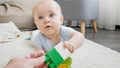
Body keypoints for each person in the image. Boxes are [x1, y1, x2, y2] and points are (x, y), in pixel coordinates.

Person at [31, 0, 85, 67]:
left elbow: (80, 36)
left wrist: (73, 43)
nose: (46, 20)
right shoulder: (38, 38)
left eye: (51, 15)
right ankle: (32, 33)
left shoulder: (64, 31)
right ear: (36, 23)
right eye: (40, 17)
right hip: (36, 35)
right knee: (33, 36)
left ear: (61, 19)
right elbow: (39, 54)